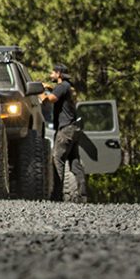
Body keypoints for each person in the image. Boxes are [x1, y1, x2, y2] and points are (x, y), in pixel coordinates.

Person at [39, 63, 87, 202]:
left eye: (53, 72)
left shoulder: (62, 86)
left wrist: (41, 92)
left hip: (65, 129)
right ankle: (82, 195)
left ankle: (56, 196)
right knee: (75, 162)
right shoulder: (67, 86)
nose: (51, 75)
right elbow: (58, 93)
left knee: (57, 160)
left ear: (59, 73)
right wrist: (49, 88)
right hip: (73, 128)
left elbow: (51, 100)